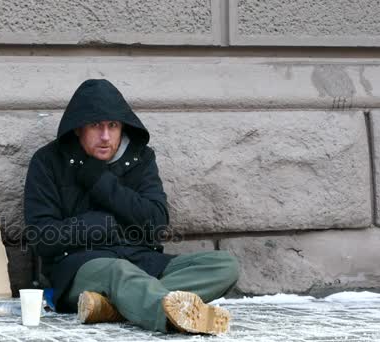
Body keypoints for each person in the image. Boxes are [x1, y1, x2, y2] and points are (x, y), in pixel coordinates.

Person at [23, 79, 239, 334]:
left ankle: (115, 305)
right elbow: (41, 237)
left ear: (122, 126)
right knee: (118, 271)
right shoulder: (48, 161)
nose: (105, 136)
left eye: (112, 126)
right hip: (78, 267)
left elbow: (156, 222)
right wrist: (99, 227)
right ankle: (170, 315)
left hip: (141, 260)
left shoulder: (141, 159)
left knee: (224, 265)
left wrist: (101, 182)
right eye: (96, 126)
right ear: (79, 128)